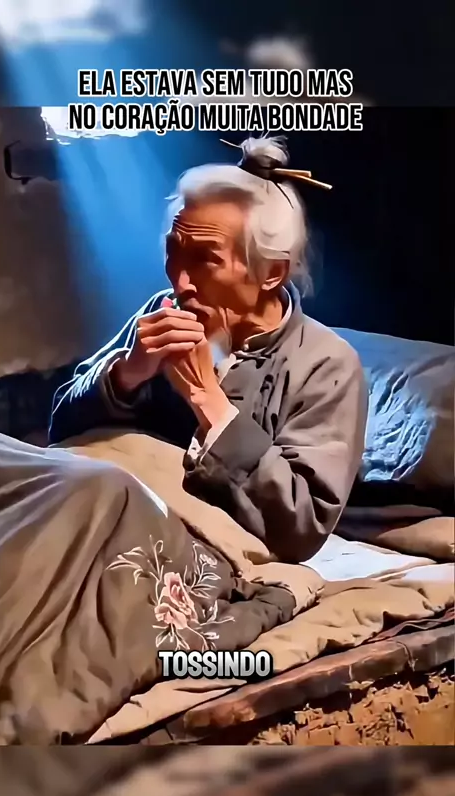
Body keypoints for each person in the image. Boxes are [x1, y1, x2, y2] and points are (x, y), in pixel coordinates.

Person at [49, 137, 367, 563]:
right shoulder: (164, 311)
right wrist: (127, 373)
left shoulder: (326, 364)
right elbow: (60, 430)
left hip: (181, 549)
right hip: (98, 510)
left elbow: (301, 528)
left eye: (205, 258)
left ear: (271, 272)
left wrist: (209, 402)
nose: (180, 282)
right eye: (173, 252)